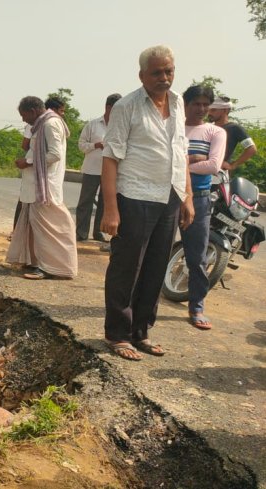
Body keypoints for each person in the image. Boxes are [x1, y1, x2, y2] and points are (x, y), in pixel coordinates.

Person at [100, 45, 194, 361]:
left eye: (169, 71)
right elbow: (110, 158)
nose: (164, 78)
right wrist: (111, 209)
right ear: (142, 75)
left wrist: (187, 196)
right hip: (135, 197)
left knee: (155, 269)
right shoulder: (128, 107)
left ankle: (141, 332)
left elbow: (180, 153)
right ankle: (117, 334)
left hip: (169, 197)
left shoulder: (179, 103)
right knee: (127, 267)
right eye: (157, 73)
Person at [6, 96, 78, 280]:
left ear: (33, 111)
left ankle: (52, 267)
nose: (23, 120)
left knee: (50, 228)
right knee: (35, 227)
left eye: (24, 115)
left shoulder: (50, 124)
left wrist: (28, 161)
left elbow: (54, 154)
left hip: (44, 186)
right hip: (36, 186)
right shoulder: (43, 123)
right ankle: (35, 262)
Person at [181, 85, 226, 330]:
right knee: (153, 253)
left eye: (205, 104)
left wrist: (181, 163)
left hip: (198, 197)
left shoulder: (214, 132)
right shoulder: (174, 127)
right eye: (196, 103)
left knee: (197, 255)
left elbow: (213, 166)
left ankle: (196, 306)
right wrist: (194, 159)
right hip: (167, 196)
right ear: (185, 104)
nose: (201, 109)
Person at [75, 93, 122, 242]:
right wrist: (96, 145)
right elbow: (81, 146)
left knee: (105, 203)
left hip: (111, 172)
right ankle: (81, 232)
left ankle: (98, 232)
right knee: (85, 202)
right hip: (91, 169)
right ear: (108, 107)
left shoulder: (121, 127)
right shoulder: (93, 125)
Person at [207, 96, 258, 178]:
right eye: (209, 110)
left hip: (219, 175)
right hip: (203, 172)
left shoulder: (234, 128)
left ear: (225, 110)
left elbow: (251, 149)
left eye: (213, 110)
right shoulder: (208, 127)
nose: (209, 113)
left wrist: (233, 165)